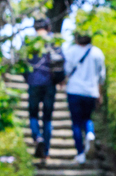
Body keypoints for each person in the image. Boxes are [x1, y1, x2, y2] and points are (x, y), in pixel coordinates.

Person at [62, 33, 105, 165]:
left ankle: (80, 154)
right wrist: (100, 93)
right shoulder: (97, 53)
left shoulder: (71, 51)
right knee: (87, 118)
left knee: (76, 123)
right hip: (91, 91)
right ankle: (90, 134)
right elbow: (101, 76)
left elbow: (66, 70)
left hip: (74, 90)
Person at [25, 20, 62, 164]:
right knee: (47, 118)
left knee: (33, 114)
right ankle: (46, 152)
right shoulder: (54, 41)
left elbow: (22, 62)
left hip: (33, 82)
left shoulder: (29, 41)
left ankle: (37, 137)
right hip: (49, 83)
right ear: (48, 27)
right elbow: (62, 62)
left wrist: (27, 78)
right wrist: (60, 80)